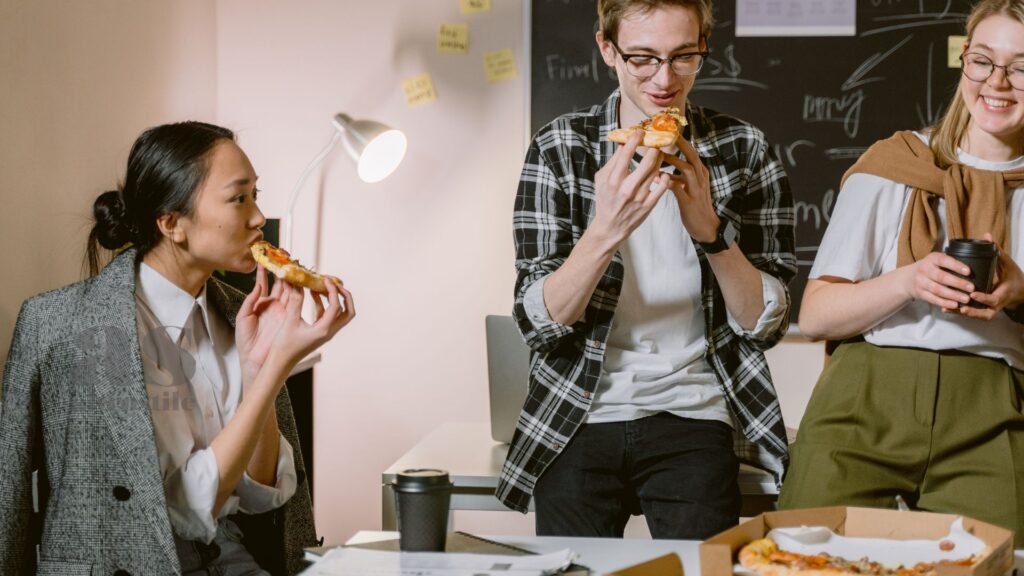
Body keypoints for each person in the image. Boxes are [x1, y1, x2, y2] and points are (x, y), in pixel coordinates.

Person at [497, 0, 797, 539]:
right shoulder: (558, 147)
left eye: (684, 56)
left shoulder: (744, 149)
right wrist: (605, 228)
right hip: (578, 410)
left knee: (702, 565)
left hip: (695, 409)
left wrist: (710, 231)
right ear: (607, 49)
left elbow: (765, 325)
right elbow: (540, 323)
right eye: (643, 58)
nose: (665, 78)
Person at [0, 121, 355, 575]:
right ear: (172, 224)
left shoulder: (239, 316)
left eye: (256, 195)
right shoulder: (60, 325)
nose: (258, 218)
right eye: (238, 197)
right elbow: (184, 507)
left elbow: (264, 493)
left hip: (232, 559)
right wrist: (274, 371)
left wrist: (258, 367)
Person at [779, 0, 1024, 544]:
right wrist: (909, 281)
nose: (998, 82)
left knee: (998, 561)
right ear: (966, 64)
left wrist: (1021, 291)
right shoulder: (896, 163)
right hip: (865, 395)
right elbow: (816, 314)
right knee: (804, 555)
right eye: (983, 60)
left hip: (993, 406)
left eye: (1022, 67)